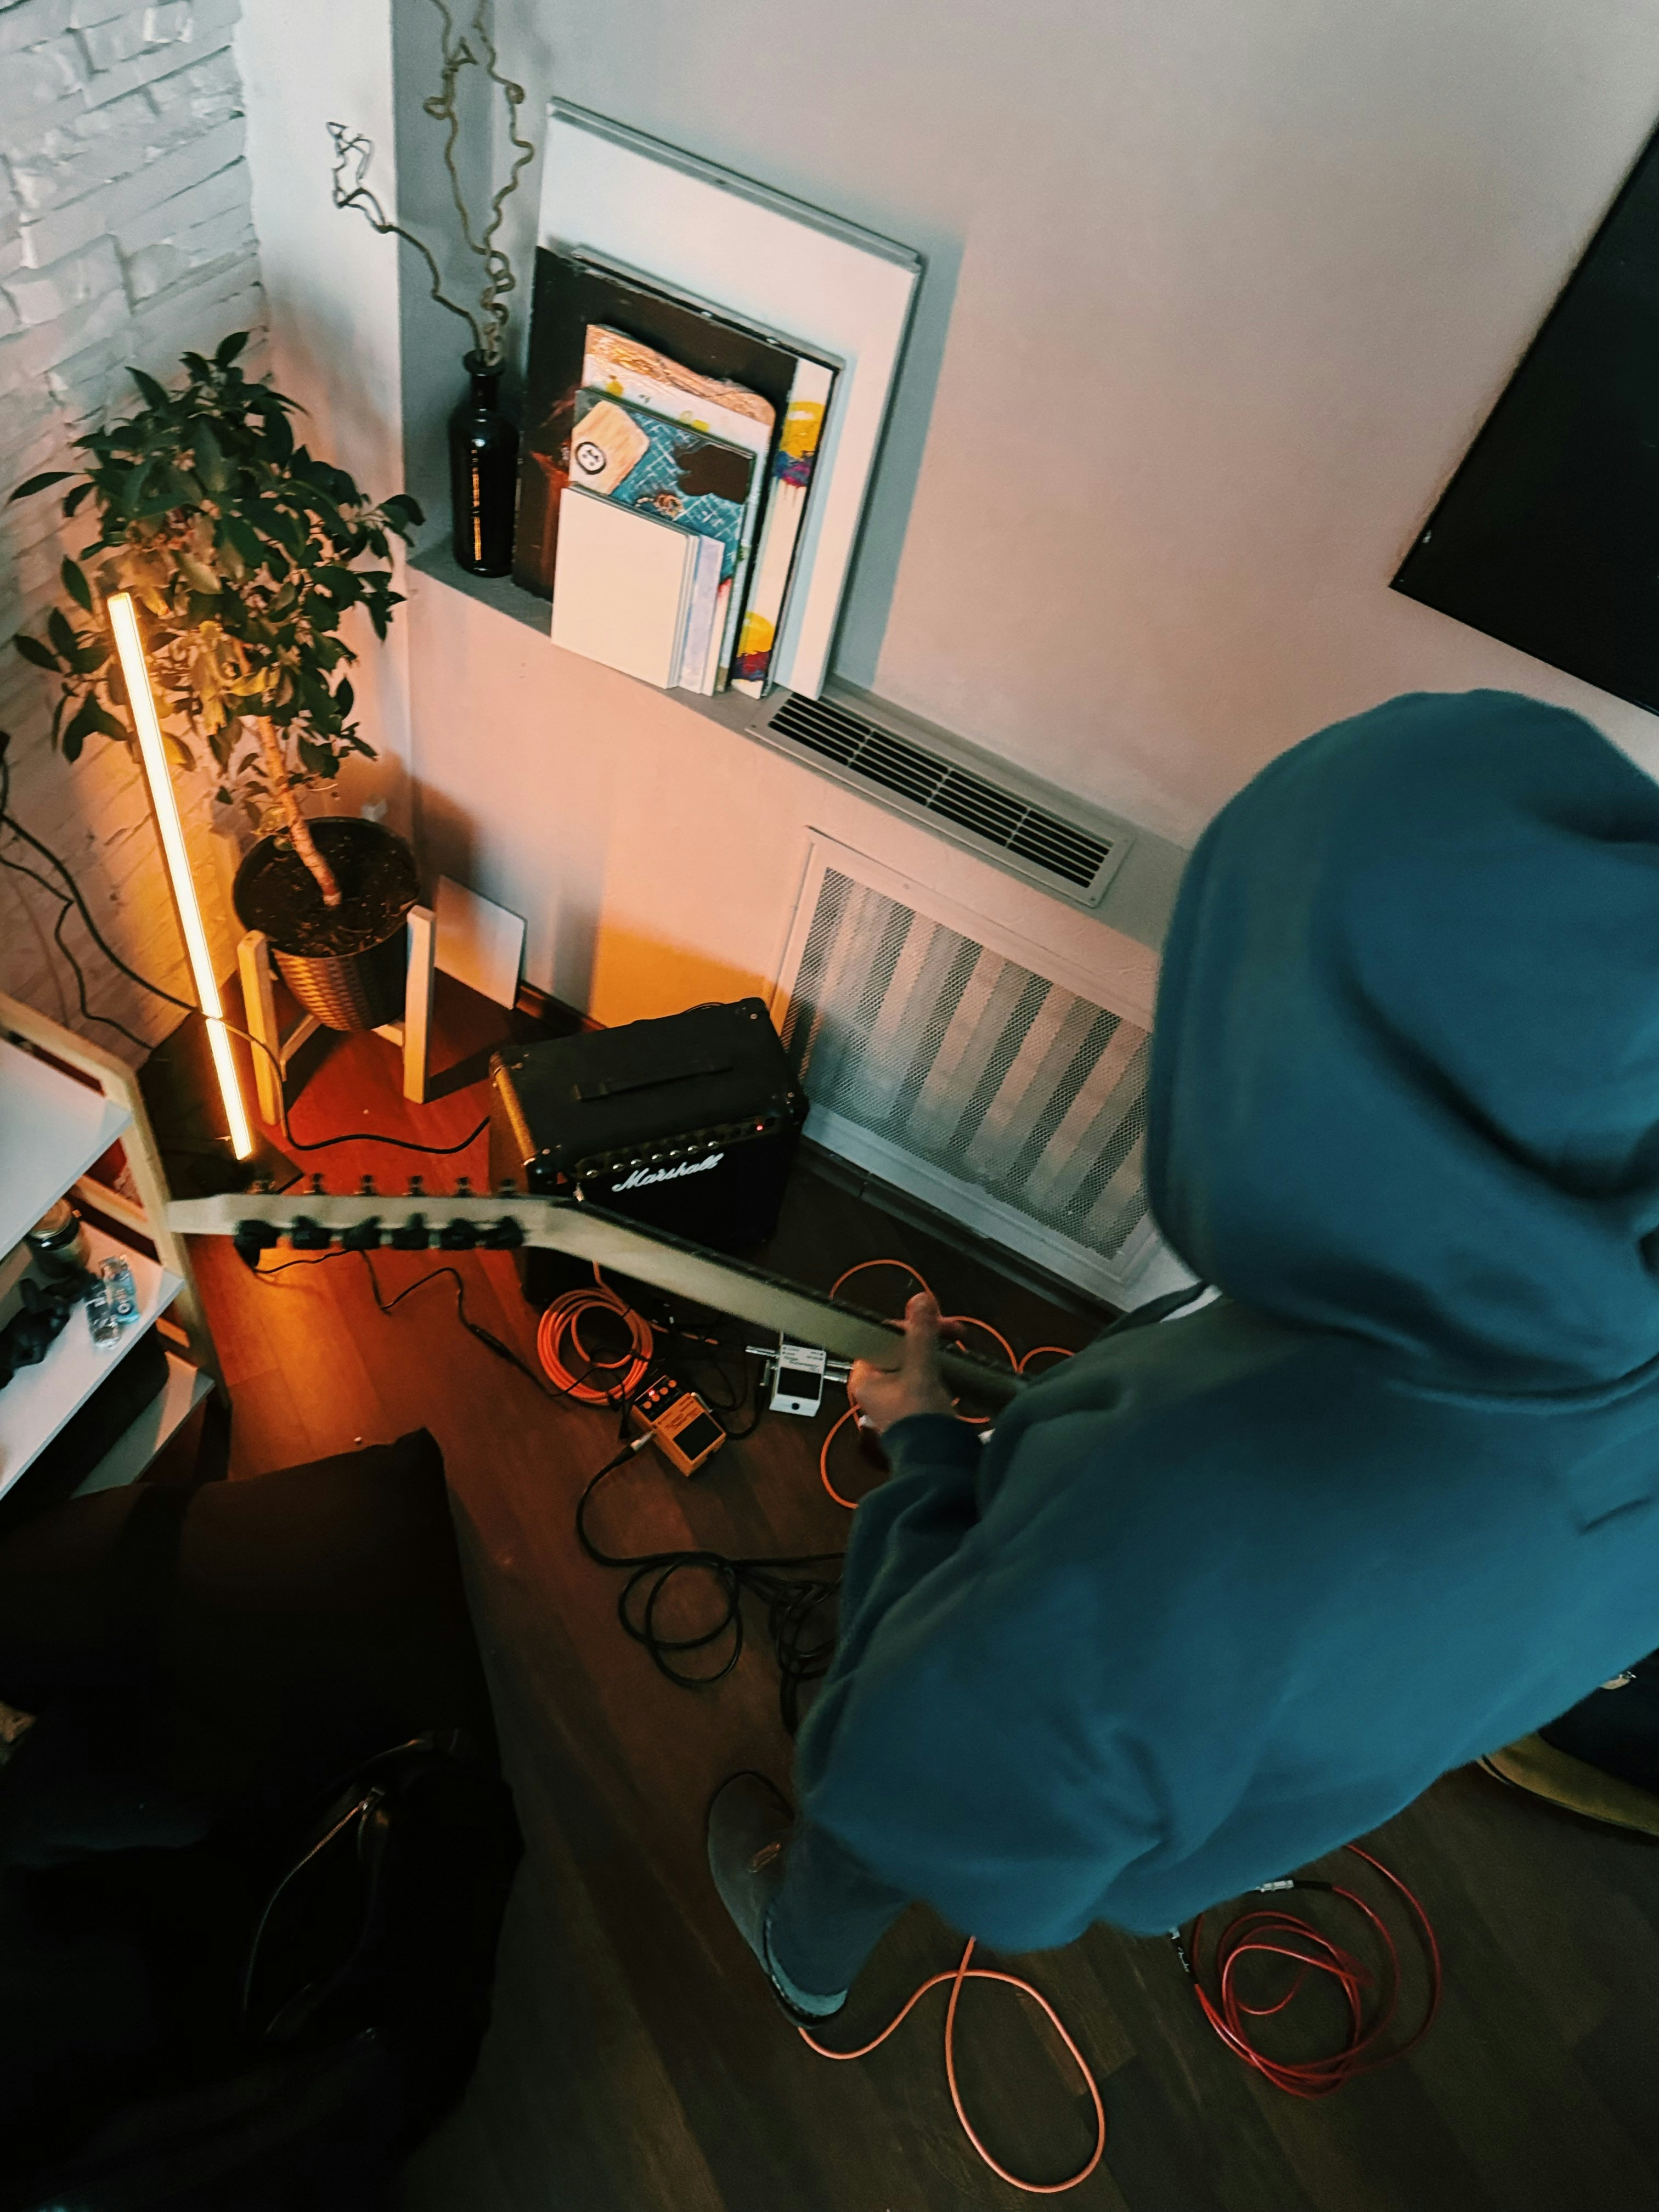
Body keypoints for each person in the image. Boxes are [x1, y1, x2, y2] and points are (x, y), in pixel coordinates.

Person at [707, 689, 1659, 2023]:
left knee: (874, 1824)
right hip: (1287, 1761)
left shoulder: (1206, 1497)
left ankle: (803, 1956)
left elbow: (929, 1769)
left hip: (1051, 1773)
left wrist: (925, 1454)